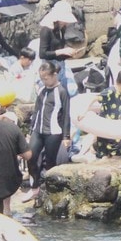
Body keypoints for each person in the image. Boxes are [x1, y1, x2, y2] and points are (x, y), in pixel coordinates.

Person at [28, 61, 72, 192]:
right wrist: (31, 130)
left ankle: (49, 189)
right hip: (38, 130)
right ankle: (35, 185)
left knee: (50, 162)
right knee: (30, 157)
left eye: (46, 79)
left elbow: (66, 115)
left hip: (53, 132)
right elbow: (36, 111)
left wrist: (66, 136)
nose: (44, 81)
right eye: (42, 79)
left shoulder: (62, 92)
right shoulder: (42, 90)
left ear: (54, 75)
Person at [83, 71, 121, 160]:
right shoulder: (110, 92)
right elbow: (94, 98)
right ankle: (92, 151)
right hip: (107, 128)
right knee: (116, 155)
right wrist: (84, 112)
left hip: (113, 128)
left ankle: (94, 151)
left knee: (106, 155)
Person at [39, 0, 82, 93]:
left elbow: (59, 52)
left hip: (60, 67)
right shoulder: (46, 30)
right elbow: (42, 53)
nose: (66, 23)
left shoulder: (61, 29)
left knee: (64, 94)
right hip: (49, 69)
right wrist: (62, 51)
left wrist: (70, 54)